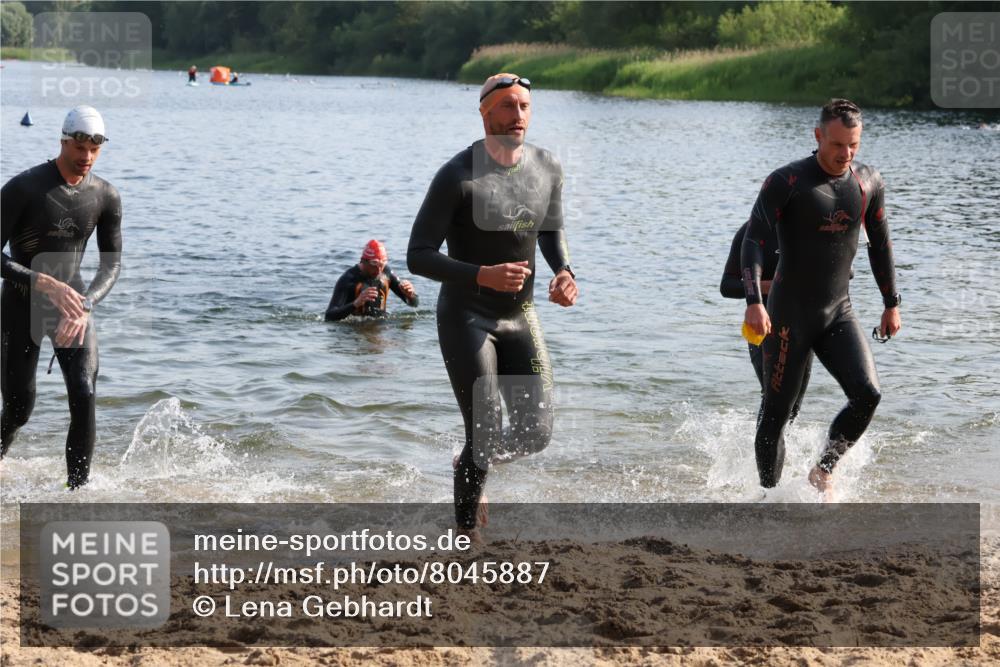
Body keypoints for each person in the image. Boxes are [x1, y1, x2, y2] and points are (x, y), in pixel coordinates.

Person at [408, 73, 578, 540]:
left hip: (520, 316)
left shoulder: (547, 166)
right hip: (467, 314)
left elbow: (548, 230)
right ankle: (465, 541)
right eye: (506, 106)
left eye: (524, 106)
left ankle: (470, 462)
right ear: (484, 113)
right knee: (483, 431)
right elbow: (417, 255)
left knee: (535, 435)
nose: (517, 115)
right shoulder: (457, 175)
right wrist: (481, 274)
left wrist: (565, 271)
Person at [742, 99, 901, 494]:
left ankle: (823, 470)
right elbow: (753, 241)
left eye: (854, 145)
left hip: (837, 312)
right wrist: (754, 302)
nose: (846, 154)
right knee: (776, 416)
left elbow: (880, 245)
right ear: (818, 136)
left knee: (867, 394)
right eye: (838, 145)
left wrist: (891, 303)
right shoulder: (787, 181)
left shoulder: (868, 183)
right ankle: (769, 497)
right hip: (787, 315)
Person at [1, 105, 123, 490]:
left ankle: (77, 494)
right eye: (79, 147)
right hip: (21, 304)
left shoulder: (105, 196)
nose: (85, 157)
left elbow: (111, 266)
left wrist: (86, 305)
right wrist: (44, 283)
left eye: (94, 149)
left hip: (73, 307)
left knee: (85, 392)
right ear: (63, 141)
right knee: (19, 410)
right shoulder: (24, 188)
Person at [720, 220, 812, 425]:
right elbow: (727, 286)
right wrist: (773, 286)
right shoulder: (751, 231)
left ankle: (778, 453)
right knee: (774, 397)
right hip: (762, 324)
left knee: (793, 404)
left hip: (803, 325)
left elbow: (846, 272)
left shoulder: (811, 224)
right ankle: (760, 454)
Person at [324, 240, 418, 321]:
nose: (379, 270)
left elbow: (414, 304)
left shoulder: (386, 273)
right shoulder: (348, 279)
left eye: (382, 265)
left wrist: (411, 295)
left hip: (380, 326)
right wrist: (356, 303)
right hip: (355, 332)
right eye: (374, 265)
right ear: (363, 261)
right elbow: (329, 316)